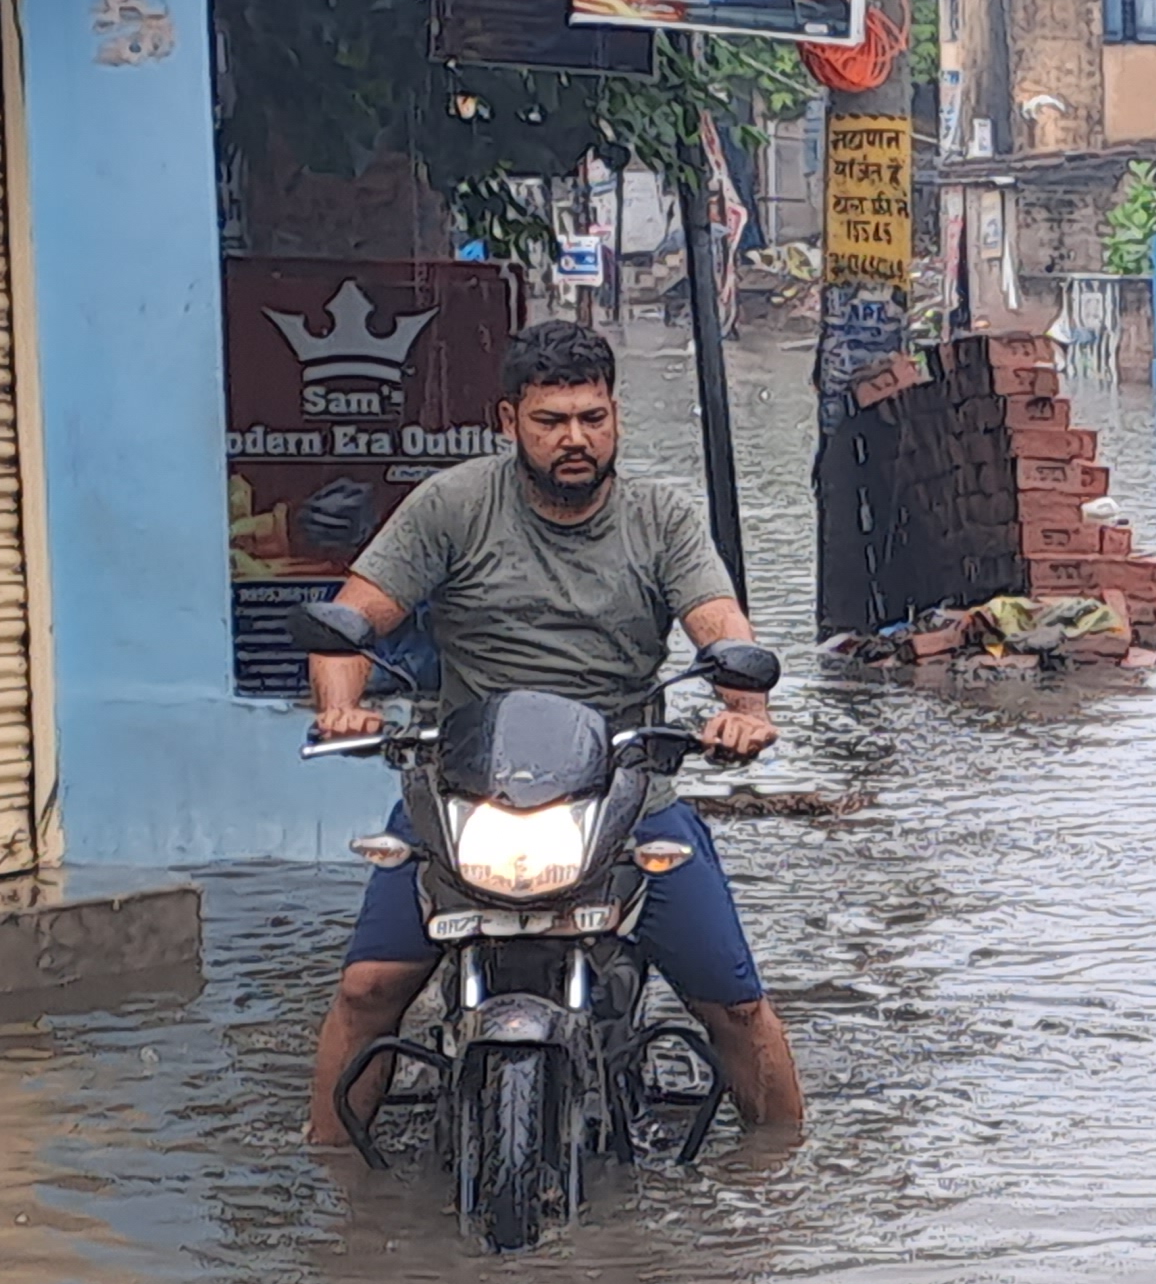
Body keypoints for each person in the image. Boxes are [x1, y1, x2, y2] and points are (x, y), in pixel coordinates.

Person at [299, 318, 808, 1144]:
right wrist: (340, 704)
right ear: (509, 422)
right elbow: (351, 623)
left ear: (615, 417)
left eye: (592, 418)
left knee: (737, 1003)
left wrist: (744, 713)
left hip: (624, 790)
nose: (575, 439)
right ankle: (332, 1180)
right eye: (551, 421)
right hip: (464, 788)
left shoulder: (661, 519)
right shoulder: (451, 507)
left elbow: (722, 632)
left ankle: (785, 1184)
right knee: (367, 990)